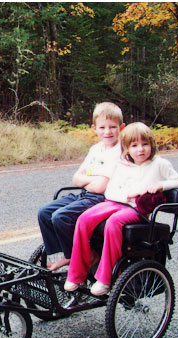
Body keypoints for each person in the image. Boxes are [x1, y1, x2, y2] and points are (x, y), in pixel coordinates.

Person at [64, 122, 178, 295]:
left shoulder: (159, 163)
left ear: (152, 145)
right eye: (134, 146)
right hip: (116, 201)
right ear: (127, 149)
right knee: (84, 219)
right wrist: (128, 194)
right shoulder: (123, 165)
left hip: (137, 210)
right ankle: (76, 274)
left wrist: (160, 185)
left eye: (145, 144)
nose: (140, 150)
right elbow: (111, 190)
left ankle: (105, 279)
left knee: (113, 222)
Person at [37, 102, 125, 271]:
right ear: (94, 128)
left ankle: (85, 255)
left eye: (112, 127)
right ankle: (67, 252)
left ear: (121, 128)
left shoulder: (120, 151)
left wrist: (88, 180)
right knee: (45, 212)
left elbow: (100, 187)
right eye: (102, 127)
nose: (107, 132)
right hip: (85, 194)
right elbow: (76, 178)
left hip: (103, 199)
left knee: (60, 217)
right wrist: (90, 180)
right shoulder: (96, 149)